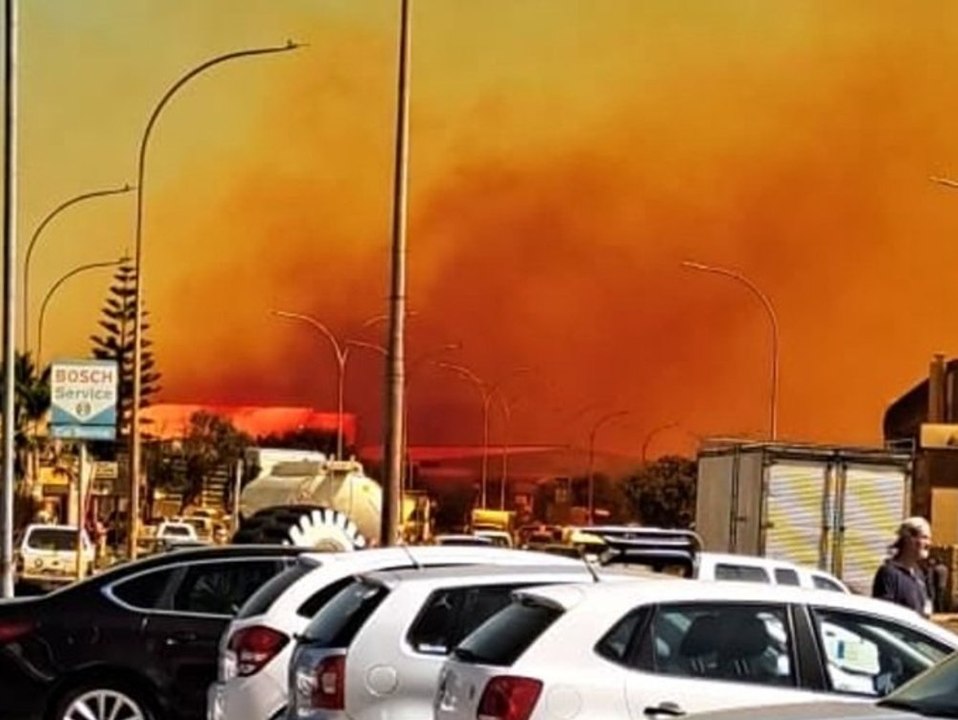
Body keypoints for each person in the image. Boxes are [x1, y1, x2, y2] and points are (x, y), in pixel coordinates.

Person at [872, 516, 933, 617]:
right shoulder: (889, 574)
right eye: (924, 537)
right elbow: (884, 616)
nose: (929, 544)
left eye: (929, 539)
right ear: (908, 539)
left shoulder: (919, 574)